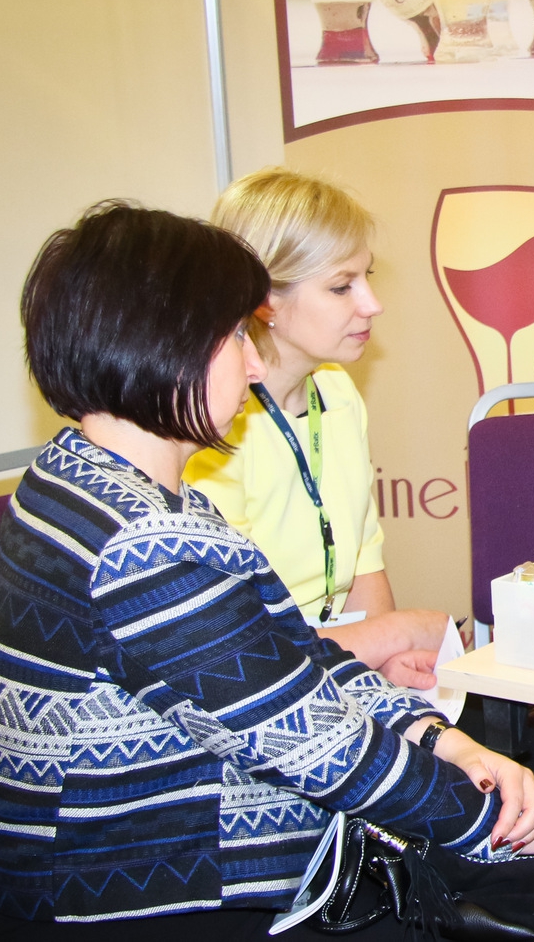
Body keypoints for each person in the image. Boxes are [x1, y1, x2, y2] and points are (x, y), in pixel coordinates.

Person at [0, 202, 534, 939]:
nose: (253, 363)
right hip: (133, 897)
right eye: (235, 336)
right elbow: (315, 746)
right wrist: (532, 833)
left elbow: (293, 661)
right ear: (165, 348)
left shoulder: (80, 479)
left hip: (130, 869)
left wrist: (442, 739)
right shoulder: (144, 544)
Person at [185, 169, 449, 691]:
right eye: (341, 287)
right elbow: (242, 650)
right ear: (265, 300)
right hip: (258, 686)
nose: (372, 304)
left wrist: (386, 669)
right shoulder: (214, 426)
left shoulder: (337, 391)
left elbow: (364, 560)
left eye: (367, 276)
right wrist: (396, 633)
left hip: (331, 666)